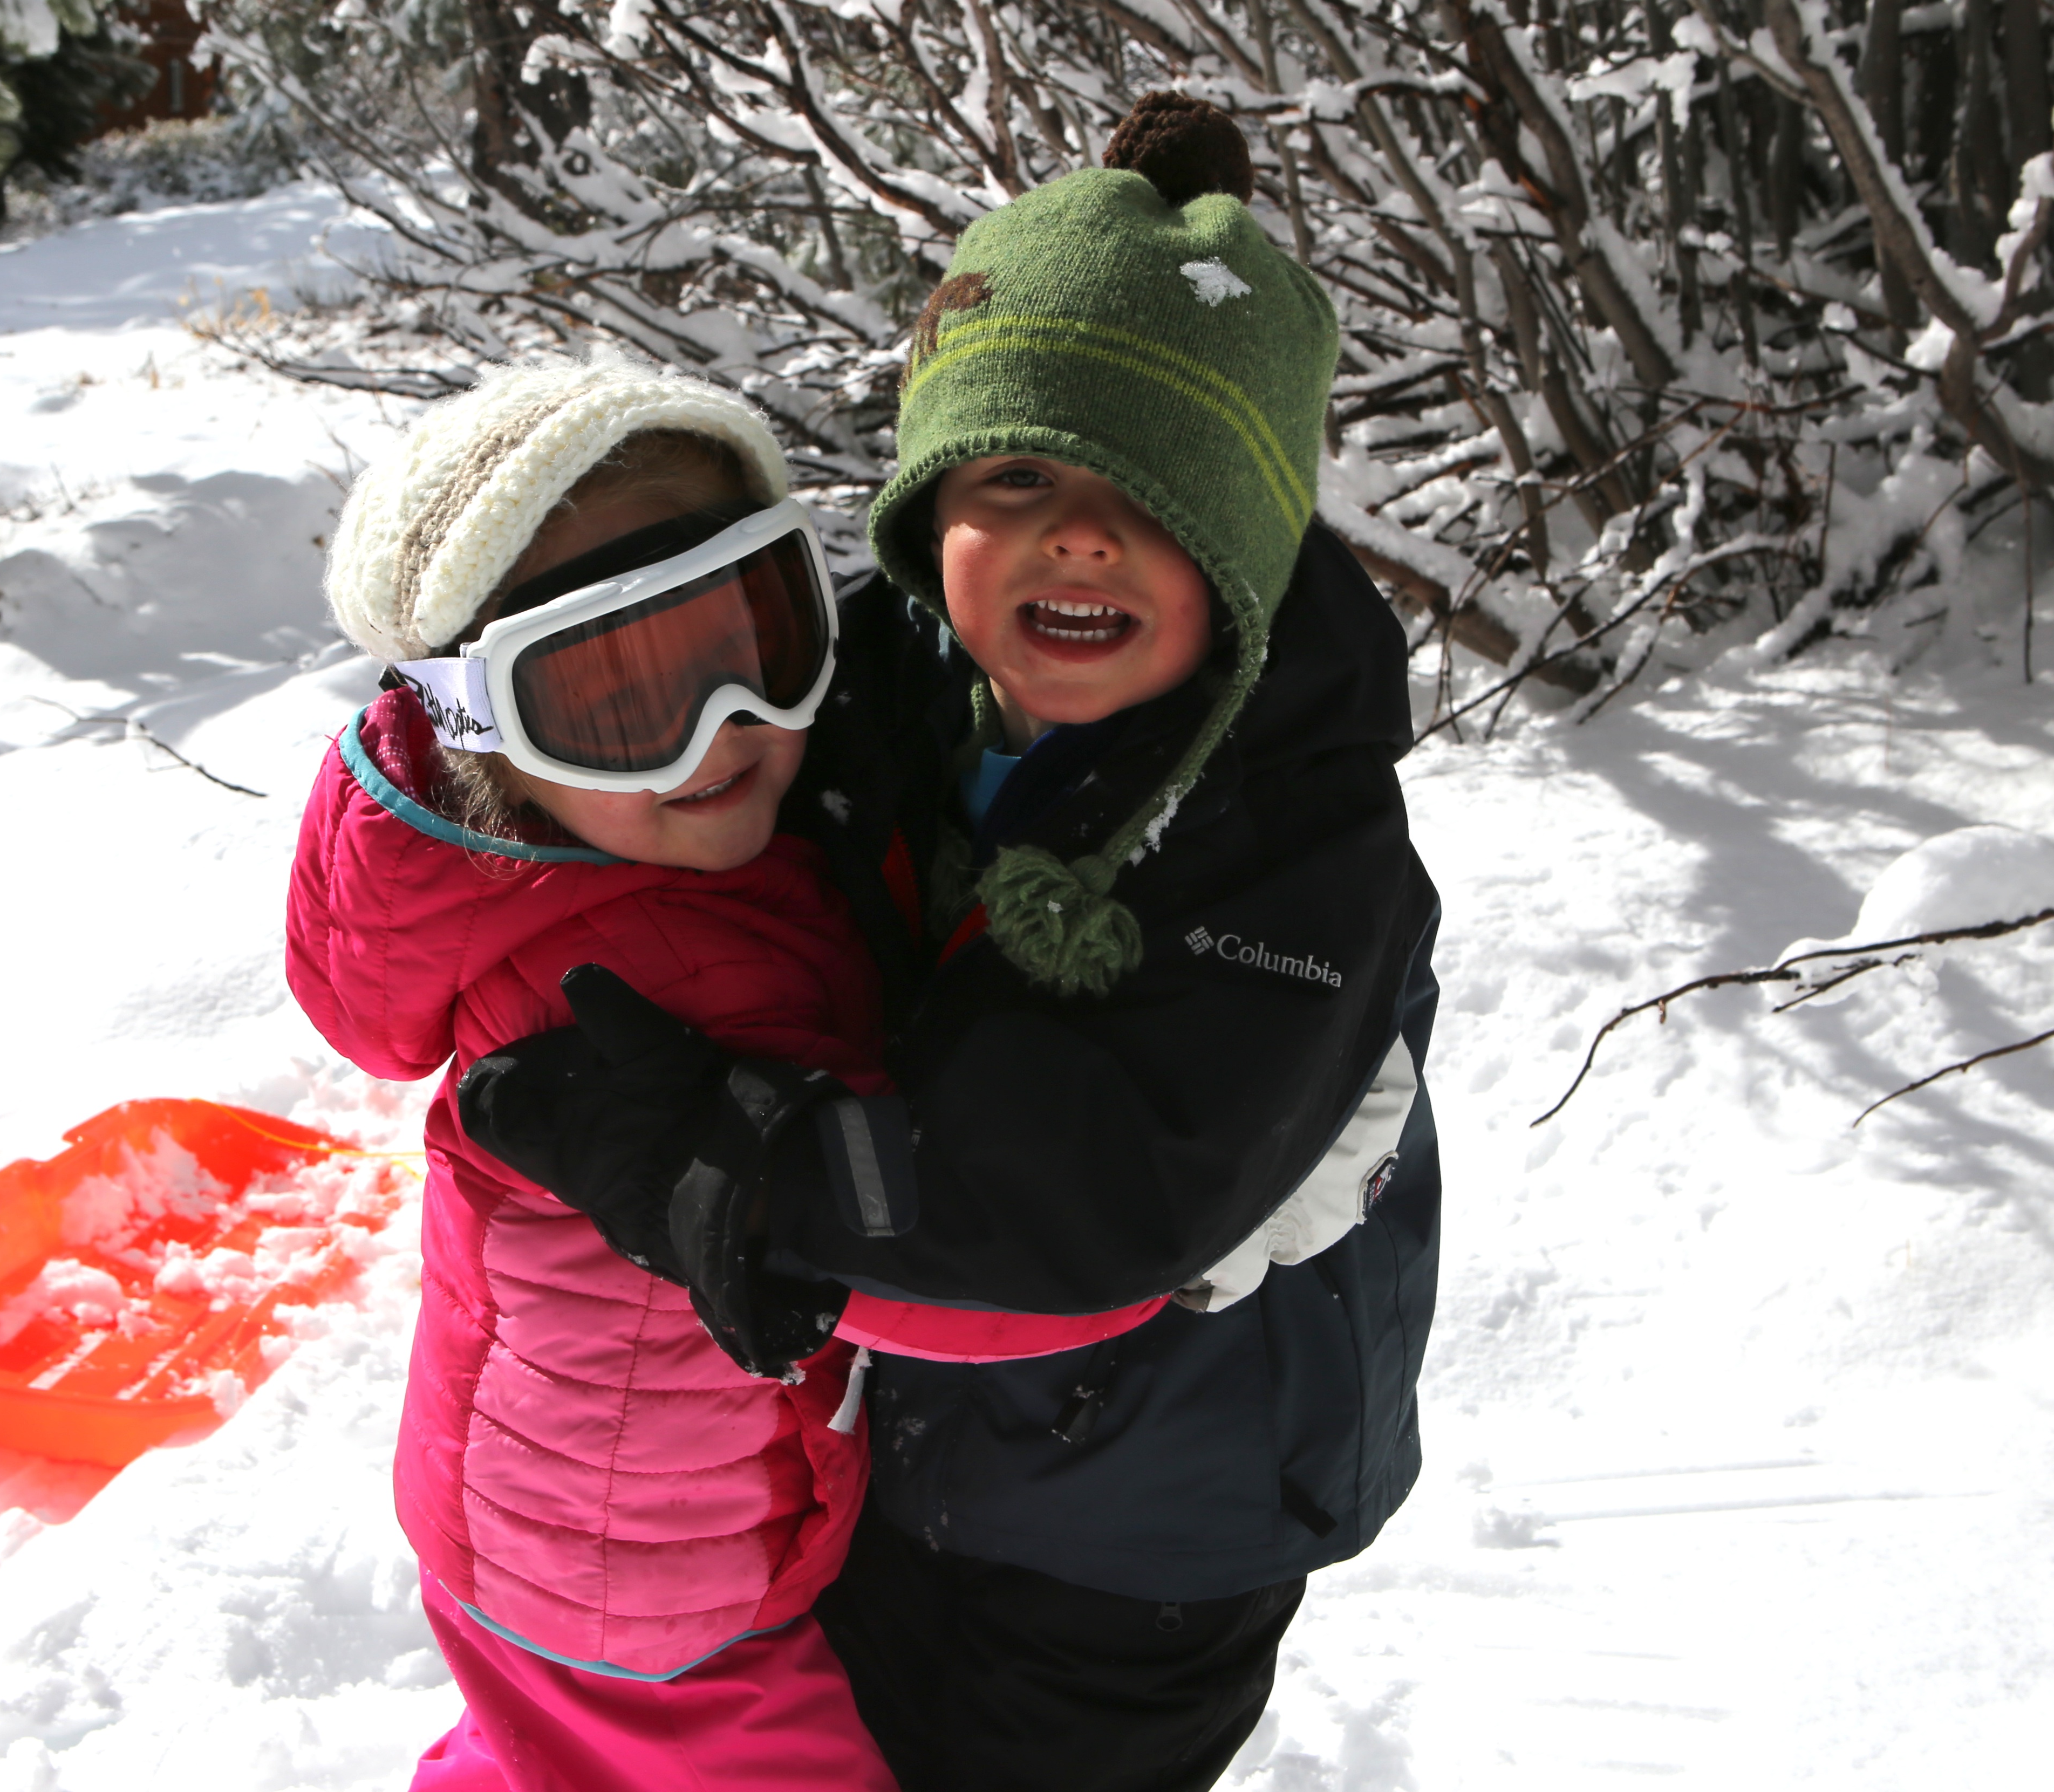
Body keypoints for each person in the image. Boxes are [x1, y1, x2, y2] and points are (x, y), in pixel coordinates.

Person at [458, 94, 1445, 1792]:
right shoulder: (904, 686)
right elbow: (680, 734)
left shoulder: (1299, 845)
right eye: (1018, 474)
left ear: (1253, 536)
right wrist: (465, 731)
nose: (1081, 531)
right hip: (916, 1438)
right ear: (933, 517)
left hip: (1153, 1520)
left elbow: (1090, 1191)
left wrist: (729, 1171)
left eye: (1158, 491)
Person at [281, 354, 898, 1792]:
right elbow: (934, 1278)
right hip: (655, 1588)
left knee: (539, 1752)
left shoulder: (521, 876)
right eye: (618, 704)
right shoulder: (662, 971)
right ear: (487, 736)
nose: (721, 733)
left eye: (753, 640)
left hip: (530, 1526)